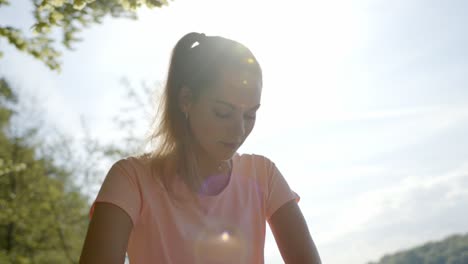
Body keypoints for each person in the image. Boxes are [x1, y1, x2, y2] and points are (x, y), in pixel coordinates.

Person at [79, 32, 321, 264]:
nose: (239, 131)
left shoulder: (264, 175)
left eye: (250, 115)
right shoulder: (130, 179)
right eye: (223, 113)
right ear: (186, 100)